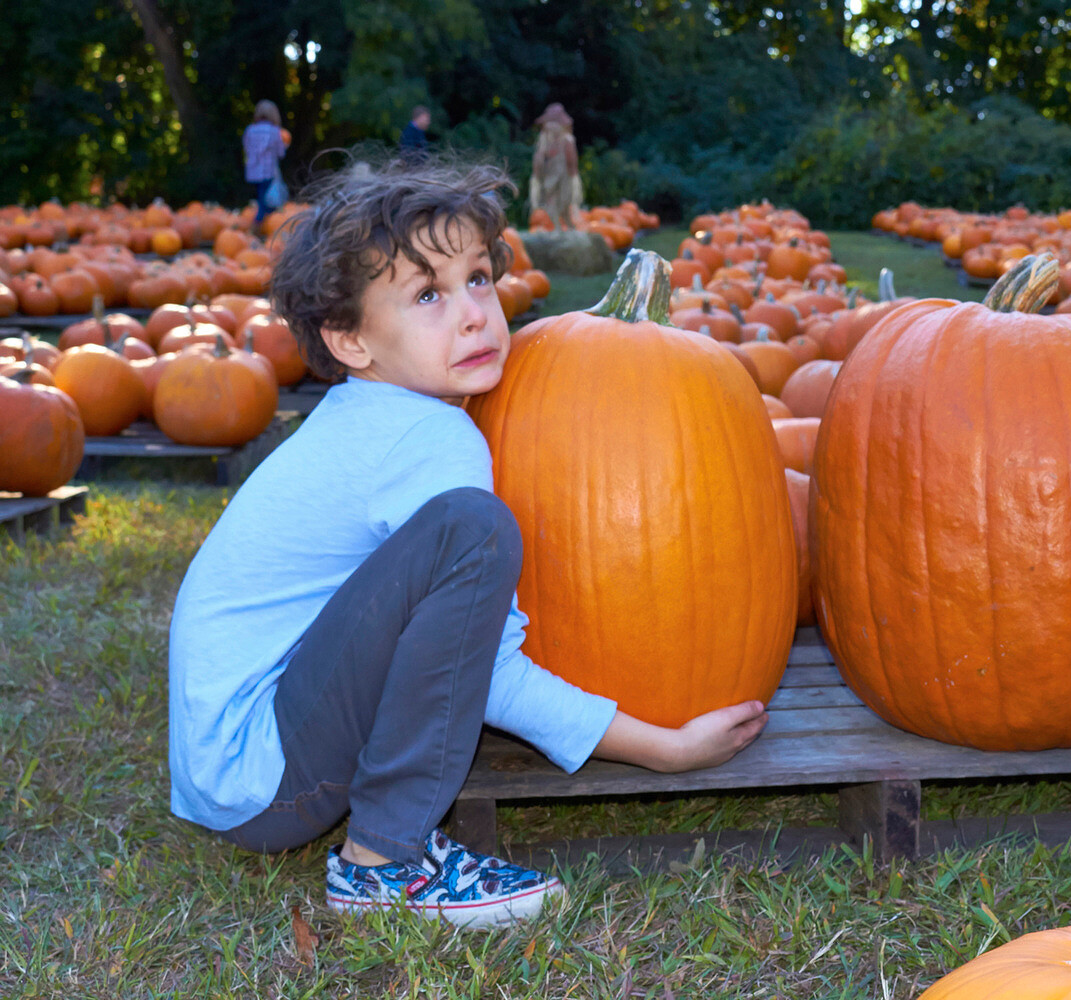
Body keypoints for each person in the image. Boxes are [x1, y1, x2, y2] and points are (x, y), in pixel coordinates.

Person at [167, 158, 768, 930]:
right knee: (473, 533)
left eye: (478, 279)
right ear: (348, 339)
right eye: (427, 295)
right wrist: (661, 748)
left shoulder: (373, 410)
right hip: (265, 775)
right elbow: (486, 670)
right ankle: (384, 863)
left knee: (462, 533)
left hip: (230, 763)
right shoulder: (427, 437)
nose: (475, 315)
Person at [529, 103, 582, 230]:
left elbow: (571, 162)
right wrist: (537, 175)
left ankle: (566, 227)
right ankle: (556, 227)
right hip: (550, 177)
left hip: (564, 177)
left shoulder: (567, 140)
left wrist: (574, 176)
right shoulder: (544, 141)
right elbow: (539, 159)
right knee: (551, 202)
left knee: (564, 203)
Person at [242, 99, 287, 226]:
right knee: (266, 202)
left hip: (253, 171)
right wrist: (285, 146)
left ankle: (265, 226)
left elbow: (247, 148)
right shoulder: (275, 131)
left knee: (262, 199)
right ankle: (257, 226)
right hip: (267, 171)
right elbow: (280, 153)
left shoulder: (250, 130)